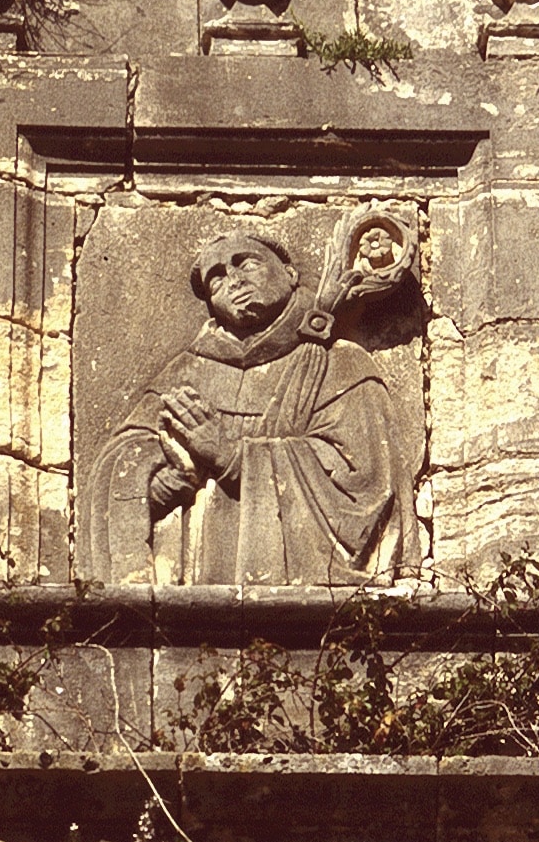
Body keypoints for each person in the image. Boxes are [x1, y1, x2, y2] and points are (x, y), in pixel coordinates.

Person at [83, 226, 418, 587]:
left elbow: (366, 484)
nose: (233, 280)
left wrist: (231, 455)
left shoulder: (340, 364)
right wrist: (169, 482)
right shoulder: (188, 372)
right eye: (216, 279)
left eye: (246, 264)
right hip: (194, 586)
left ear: (290, 274)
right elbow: (118, 469)